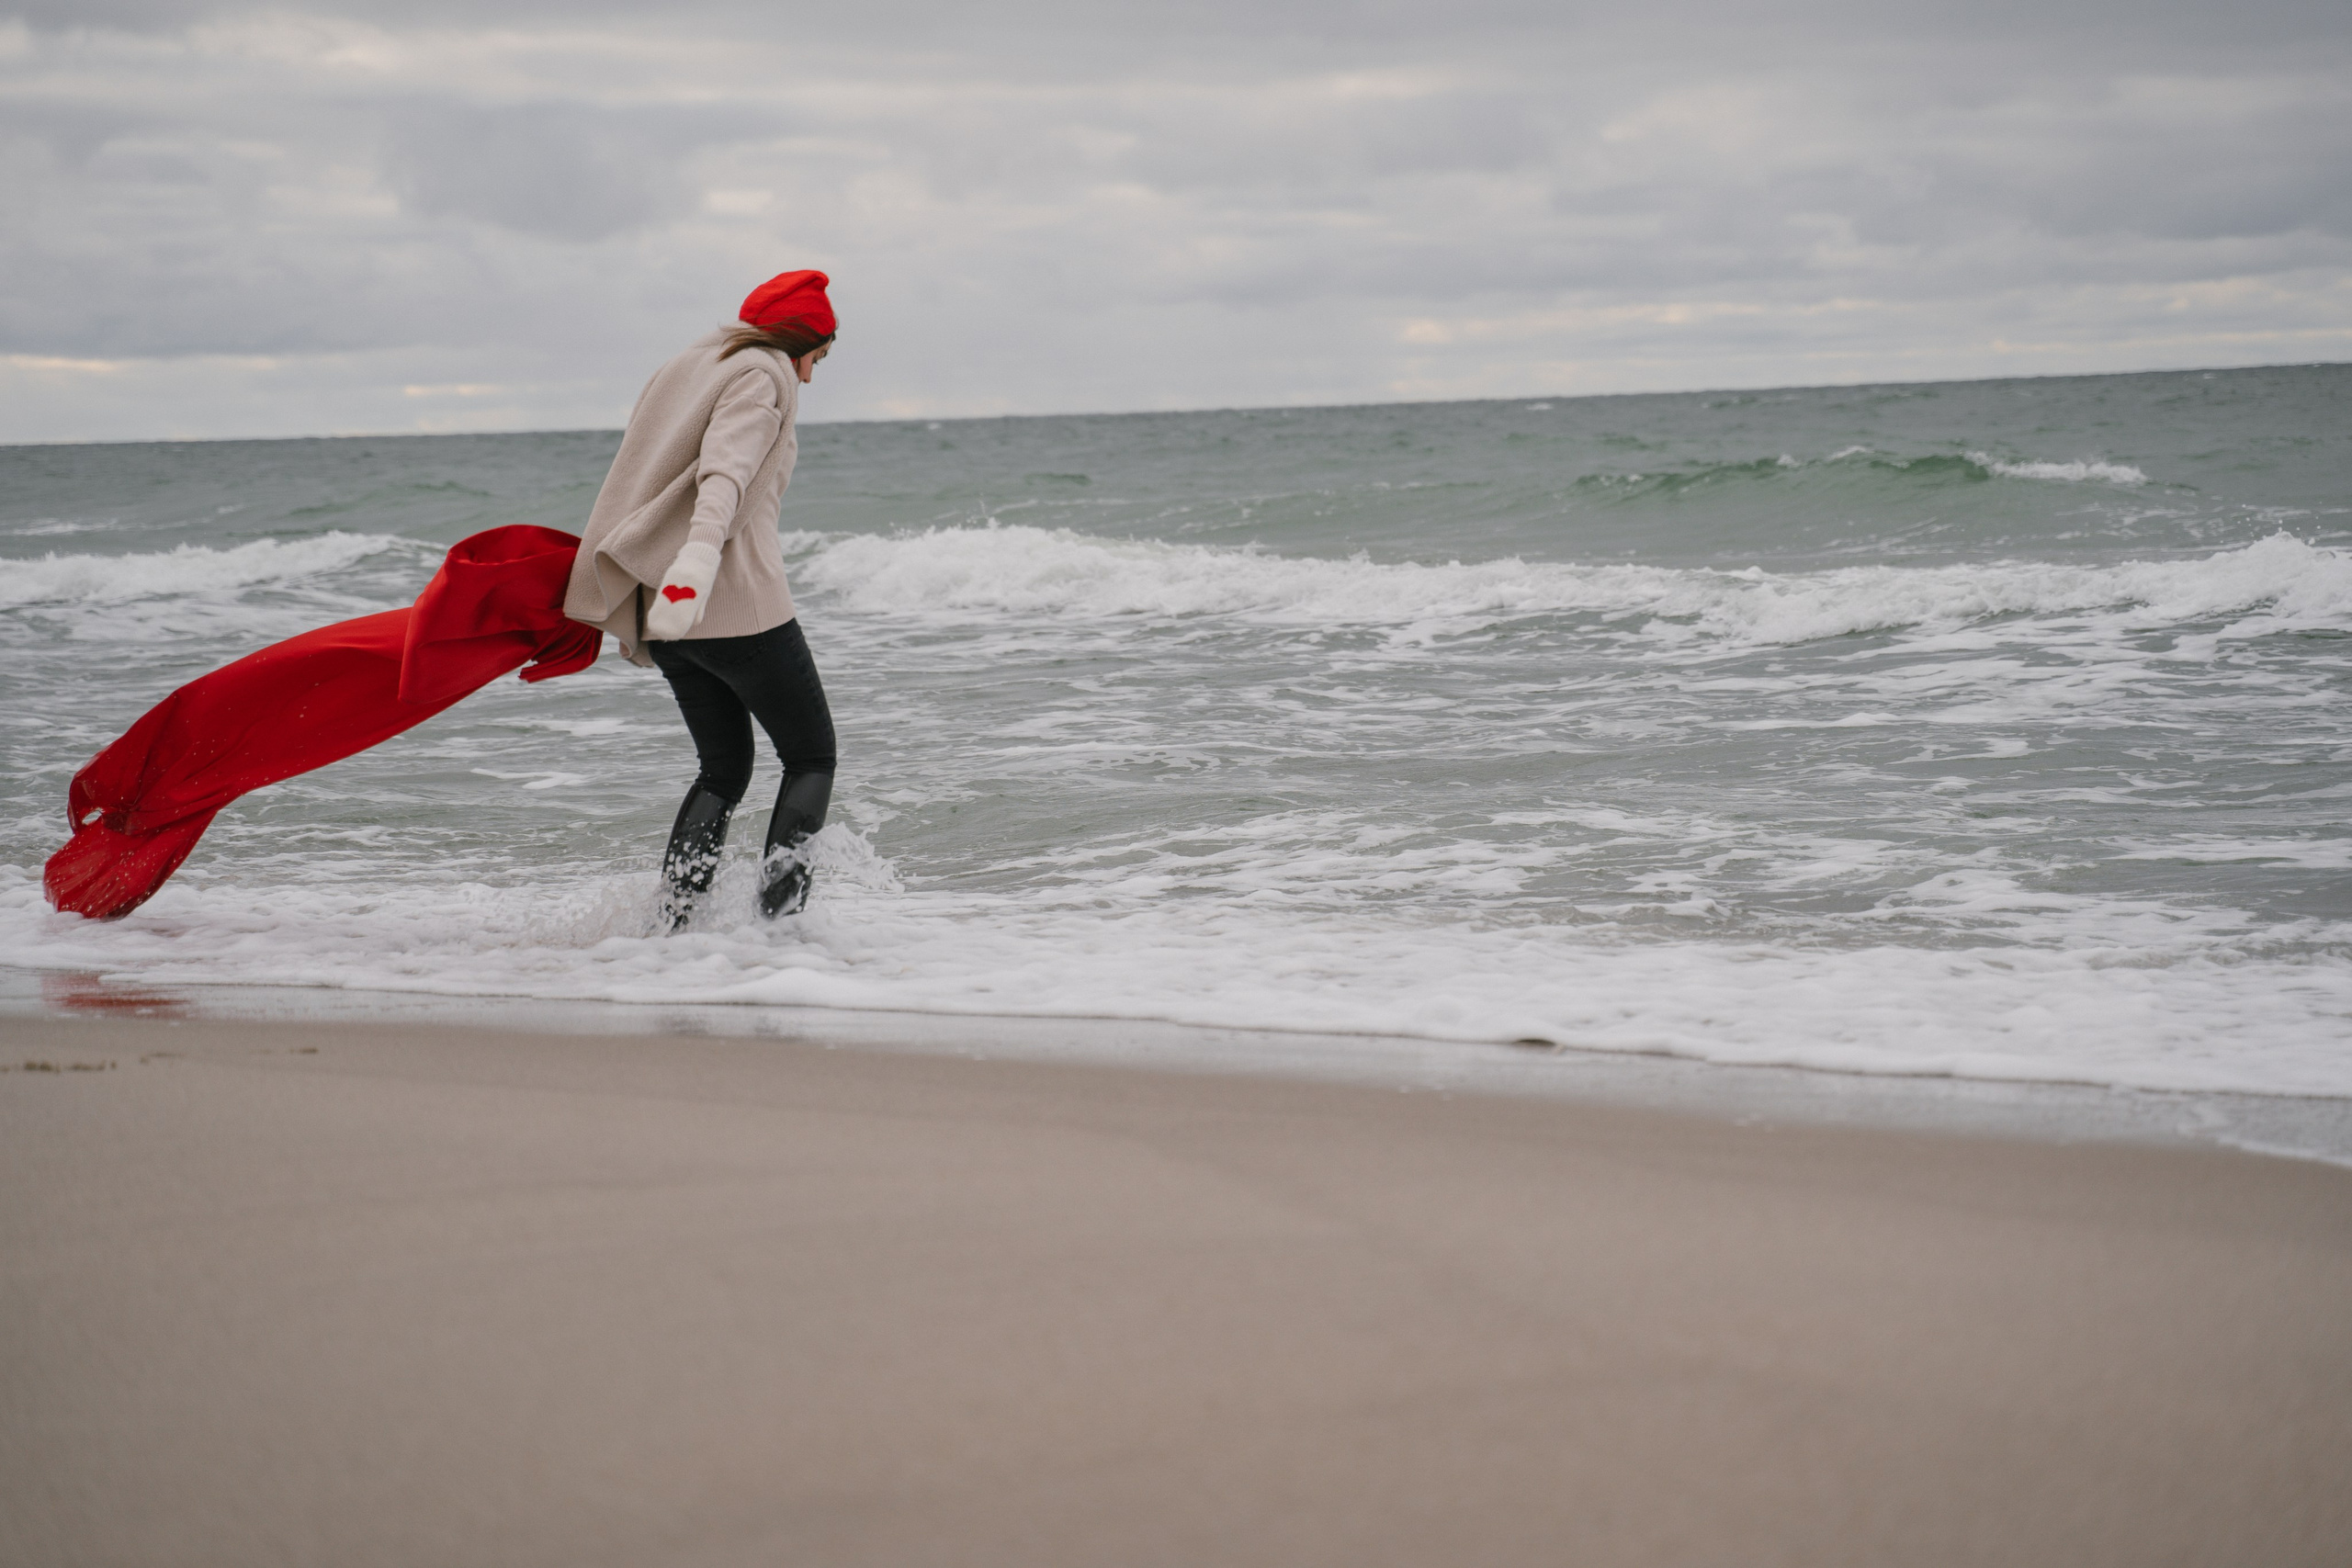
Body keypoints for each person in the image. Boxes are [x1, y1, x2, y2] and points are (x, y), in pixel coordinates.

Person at [564, 270, 839, 930]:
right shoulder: (761, 374)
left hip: (668, 618)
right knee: (811, 757)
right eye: (816, 358)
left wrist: (672, 579)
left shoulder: (689, 366)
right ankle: (781, 927)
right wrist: (698, 558)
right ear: (796, 340)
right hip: (728, 604)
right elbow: (725, 473)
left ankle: (675, 926)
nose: (808, 377)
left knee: (722, 771)